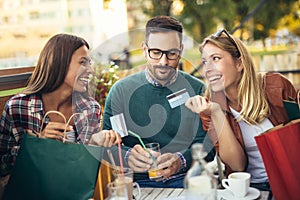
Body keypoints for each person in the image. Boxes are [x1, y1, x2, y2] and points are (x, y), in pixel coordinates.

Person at [102, 16, 214, 188]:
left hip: (186, 180)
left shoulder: (197, 89)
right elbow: (107, 144)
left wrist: (181, 161)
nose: (164, 62)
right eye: (156, 52)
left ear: (181, 51)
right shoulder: (121, 92)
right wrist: (127, 156)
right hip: (138, 184)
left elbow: (207, 142)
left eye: (171, 53)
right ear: (144, 50)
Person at [185, 29, 298, 191]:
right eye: (204, 62)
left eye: (215, 59)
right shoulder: (210, 107)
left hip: (291, 181)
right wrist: (217, 113)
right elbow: (237, 165)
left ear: (240, 63)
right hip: (249, 188)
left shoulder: (277, 87)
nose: (207, 70)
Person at [0, 33, 121, 178]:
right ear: (60, 63)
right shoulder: (18, 108)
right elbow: (2, 166)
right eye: (83, 62)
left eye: (90, 63)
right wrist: (38, 145)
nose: (90, 70)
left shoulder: (90, 109)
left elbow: (84, 172)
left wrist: (93, 144)